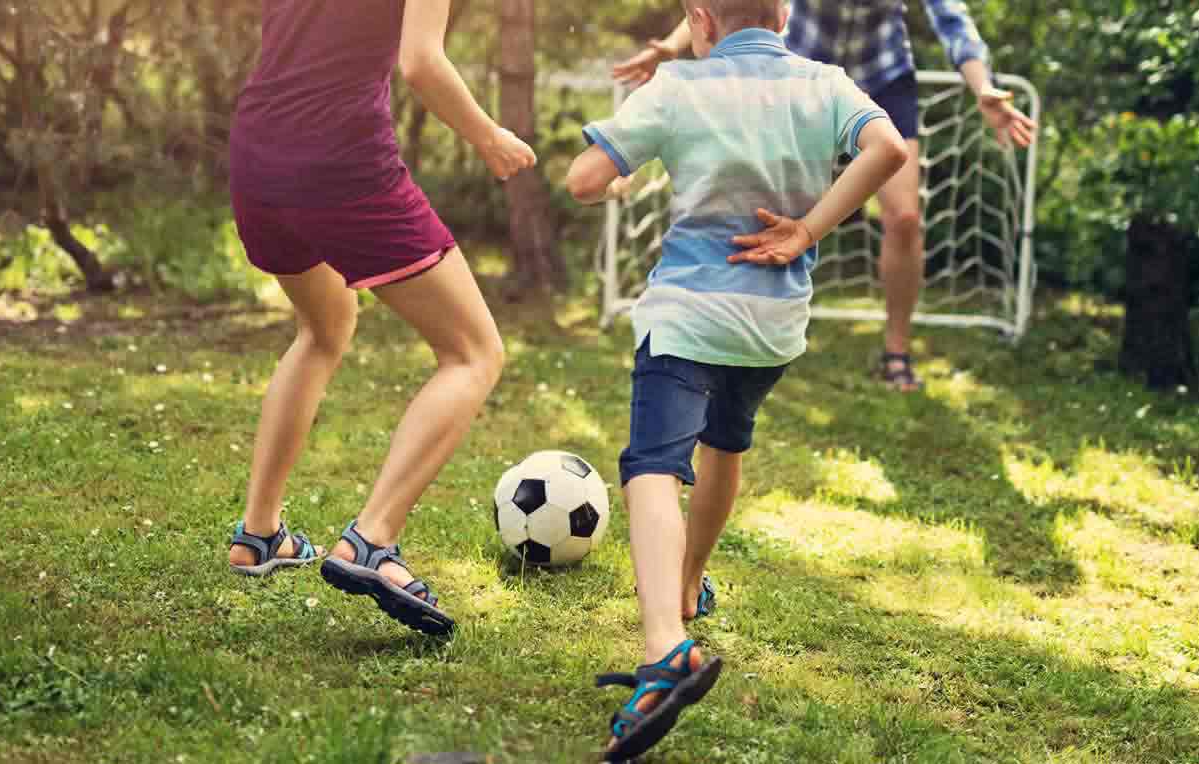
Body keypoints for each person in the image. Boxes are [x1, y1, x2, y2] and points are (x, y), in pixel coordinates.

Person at [565, 0, 908, 757]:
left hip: (688, 315)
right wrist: (808, 229)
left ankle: (665, 647)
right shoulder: (824, 83)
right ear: (782, 14)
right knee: (725, 445)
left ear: (700, 18)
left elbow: (583, 179)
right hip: (772, 327)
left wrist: (624, 178)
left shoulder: (677, 87)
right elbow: (888, 149)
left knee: (653, 467)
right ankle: (687, 583)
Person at [222, 0, 536, 639]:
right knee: (474, 352)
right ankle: (371, 542)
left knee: (324, 327)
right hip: (341, 164)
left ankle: (260, 536)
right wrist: (489, 136)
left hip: (257, 157)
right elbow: (420, 62)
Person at [612, 0, 1037, 392]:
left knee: (905, 218)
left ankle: (896, 352)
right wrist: (671, 45)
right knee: (755, 202)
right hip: (798, 73)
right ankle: (740, 338)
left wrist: (982, 87)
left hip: (884, 76)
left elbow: (951, 17)